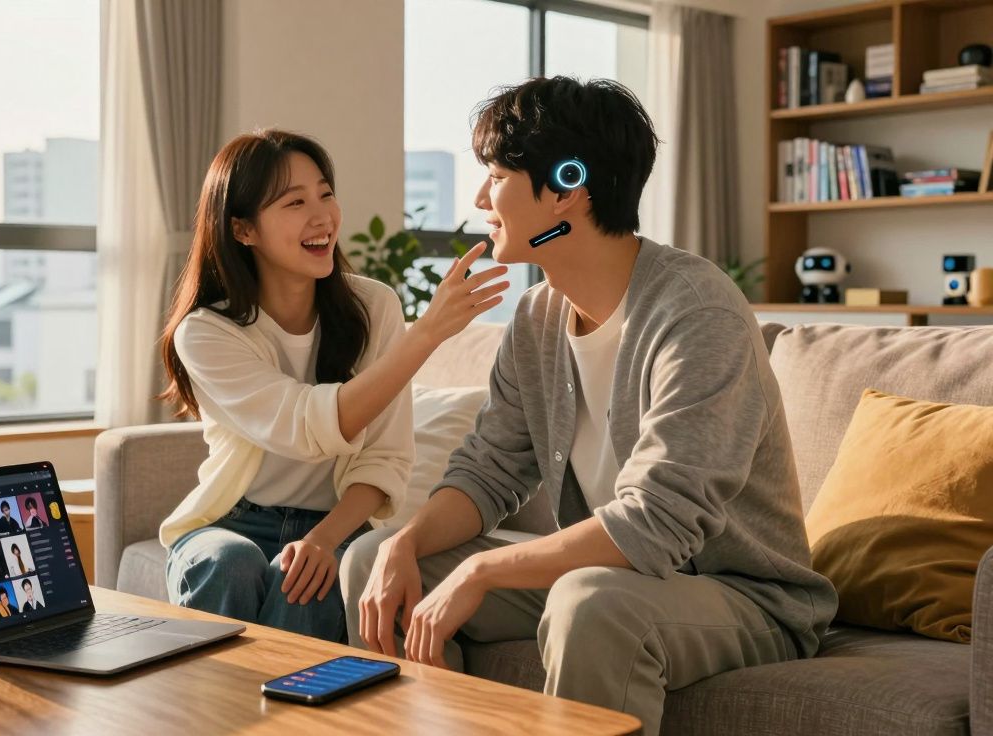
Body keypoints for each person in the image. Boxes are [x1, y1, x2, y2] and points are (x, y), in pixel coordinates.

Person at [339, 77, 838, 736]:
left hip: (745, 597)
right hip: (618, 575)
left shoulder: (697, 311)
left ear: (568, 186)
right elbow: (490, 470)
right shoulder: (537, 318)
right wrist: (407, 541)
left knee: (591, 602)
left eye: (496, 175)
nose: (480, 198)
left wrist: (484, 568)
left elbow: (656, 524)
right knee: (372, 560)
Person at [158, 129, 509, 642]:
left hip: (338, 525)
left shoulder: (374, 308)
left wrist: (324, 539)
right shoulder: (208, 331)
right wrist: (427, 334)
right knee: (228, 562)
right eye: (294, 202)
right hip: (231, 522)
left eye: (325, 193)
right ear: (243, 229)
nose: (322, 216)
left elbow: (385, 457)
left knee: (308, 584)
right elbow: (306, 426)